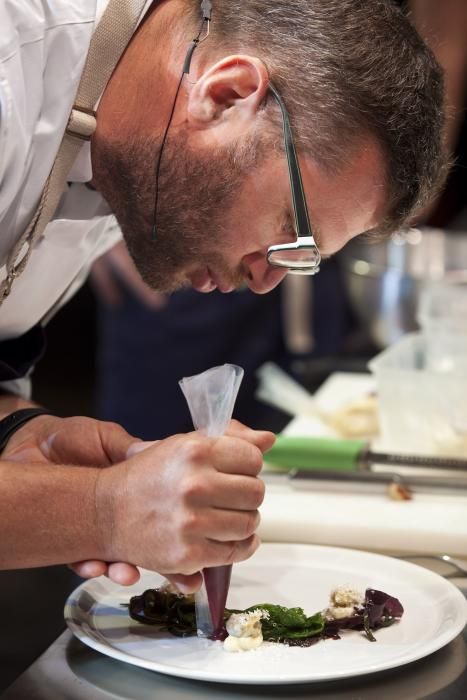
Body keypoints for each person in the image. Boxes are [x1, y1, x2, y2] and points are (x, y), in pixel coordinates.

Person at [0, 0, 447, 591]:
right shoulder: (12, 72)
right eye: (291, 231)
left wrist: (23, 435)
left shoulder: (140, 140)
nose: (266, 281)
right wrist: (102, 510)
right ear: (229, 95)